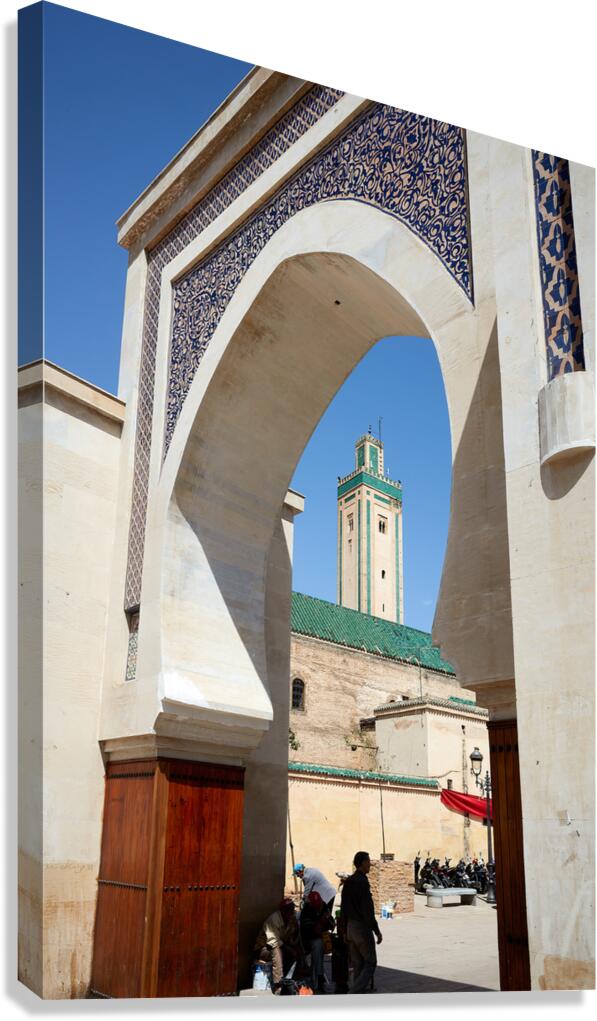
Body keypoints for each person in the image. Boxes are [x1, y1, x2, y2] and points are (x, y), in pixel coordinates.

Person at [340, 851, 383, 994]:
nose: (370, 864)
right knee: (370, 963)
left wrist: (345, 930)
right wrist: (376, 931)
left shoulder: (349, 882)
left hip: (350, 927)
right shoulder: (362, 882)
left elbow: (343, 908)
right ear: (363, 863)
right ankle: (353, 992)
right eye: (368, 861)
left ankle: (357, 993)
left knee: (358, 964)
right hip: (361, 927)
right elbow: (368, 910)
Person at [253, 897, 301, 993]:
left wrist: (296, 928)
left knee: (295, 950)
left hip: (281, 946)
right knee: (276, 950)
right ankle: (278, 984)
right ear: (283, 911)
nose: (292, 912)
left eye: (292, 909)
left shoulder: (291, 918)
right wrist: (289, 949)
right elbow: (273, 942)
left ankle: (290, 979)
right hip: (264, 949)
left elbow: (292, 939)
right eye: (289, 910)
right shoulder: (274, 919)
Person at [299, 890, 335, 994]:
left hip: (323, 938)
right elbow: (314, 931)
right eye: (317, 906)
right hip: (308, 940)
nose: (319, 908)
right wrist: (322, 921)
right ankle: (318, 979)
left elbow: (332, 924)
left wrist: (329, 921)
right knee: (318, 945)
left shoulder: (323, 906)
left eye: (319, 905)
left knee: (339, 945)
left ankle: (340, 981)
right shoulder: (306, 912)